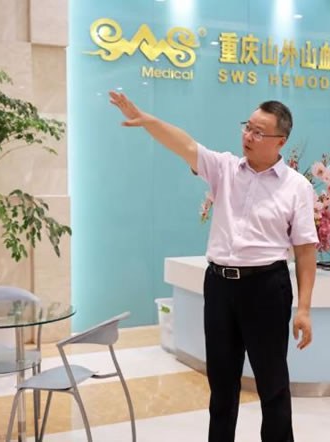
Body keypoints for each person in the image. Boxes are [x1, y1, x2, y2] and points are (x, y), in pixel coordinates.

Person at [109, 91, 319, 442]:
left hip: (267, 287)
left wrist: (305, 309)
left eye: (258, 132)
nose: (248, 136)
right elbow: (185, 145)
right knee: (221, 385)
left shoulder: (297, 187)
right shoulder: (225, 168)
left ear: (280, 141)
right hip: (220, 285)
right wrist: (148, 121)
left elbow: (306, 251)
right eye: (247, 127)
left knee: (272, 385)